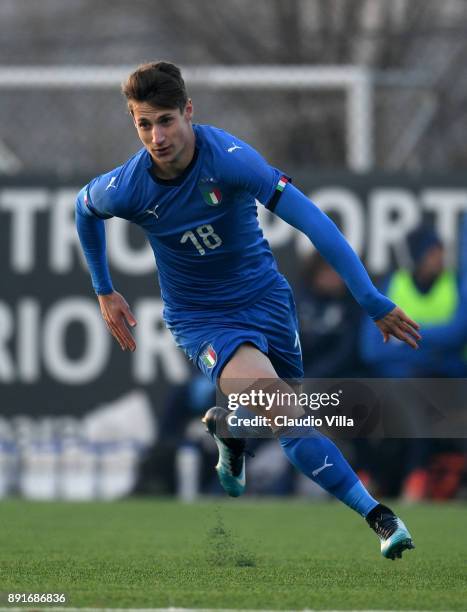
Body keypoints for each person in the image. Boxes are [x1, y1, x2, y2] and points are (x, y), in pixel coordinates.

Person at [75, 61, 420, 560]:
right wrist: (104, 289)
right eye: (143, 124)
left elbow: (313, 221)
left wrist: (370, 298)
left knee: (283, 408)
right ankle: (380, 517)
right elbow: (84, 210)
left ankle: (231, 431)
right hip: (202, 319)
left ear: (188, 112)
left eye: (166, 120)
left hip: (266, 302)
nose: (156, 136)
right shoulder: (128, 186)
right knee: (287, 413)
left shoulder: (232, 159)